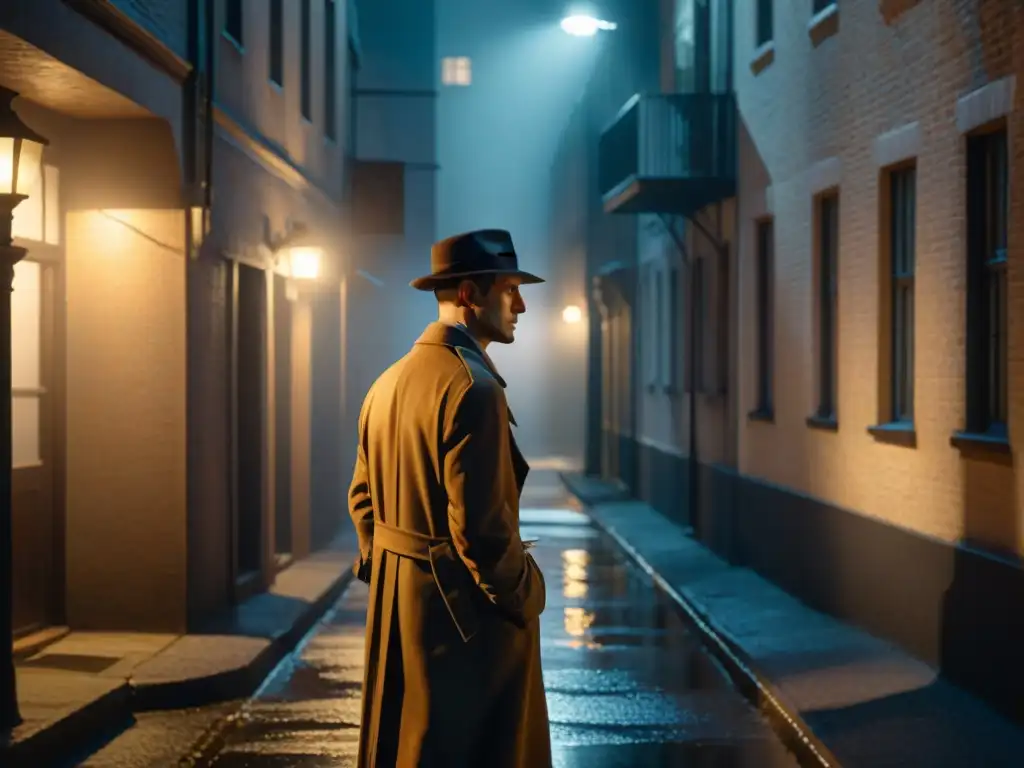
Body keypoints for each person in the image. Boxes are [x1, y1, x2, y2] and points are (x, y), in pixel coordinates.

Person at [348, 229, 551, 767]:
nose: (522, 305)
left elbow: (363, 501)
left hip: (401, 614)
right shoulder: (474, 389)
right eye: (509, 290)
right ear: (469, 294)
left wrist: (391, 576)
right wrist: (526, 593)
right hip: (465, 626)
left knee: (406, 746)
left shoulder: (386, 383)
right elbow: (483, 534)